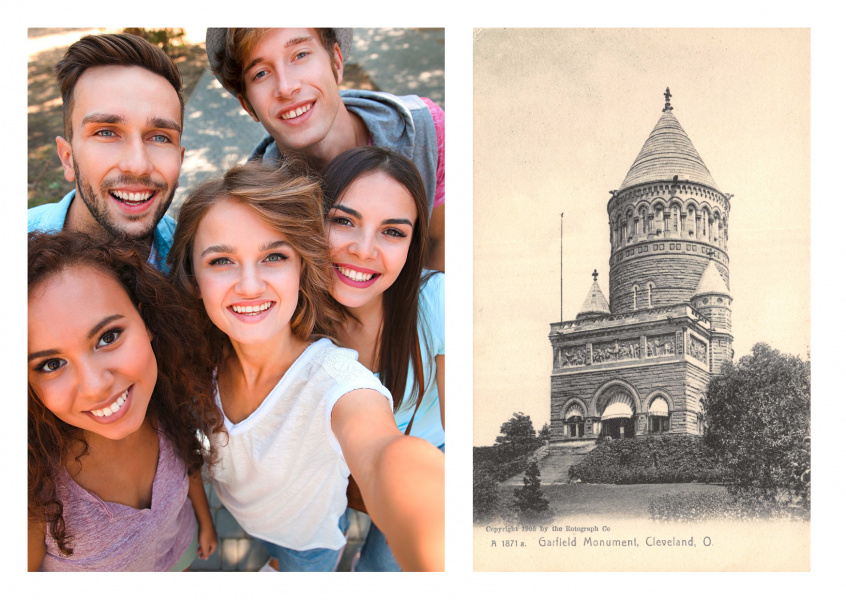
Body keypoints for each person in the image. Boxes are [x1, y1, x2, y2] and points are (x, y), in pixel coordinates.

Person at [167, 160, 445, 571]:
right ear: (194, 275)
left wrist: (428, 519)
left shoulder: (335, 379)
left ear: (303, 266)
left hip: (310, 545)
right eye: (221, 261)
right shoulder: (197, 357)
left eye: (274, 256)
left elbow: (377, 446)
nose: (249, 285)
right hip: (257, 524)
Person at [27, 231, 223, 571]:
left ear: (145, 320)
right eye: (51, 364)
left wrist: (204, 520)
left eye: (108, 337)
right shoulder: (32, 494)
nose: (95, 387)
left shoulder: (164, 399)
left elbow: (189, 463)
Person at [205, 27, 445, 272]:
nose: (286, 88)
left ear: (336, 62)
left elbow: (441, 244)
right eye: (261, 73)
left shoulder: (425, 130)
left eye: (300, 55)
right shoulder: (254, 203)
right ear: (248, 106)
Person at [322, 146, 445, 571]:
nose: (363, 249)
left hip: (425, 463)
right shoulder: (287, 308)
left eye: (392, 232)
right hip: (329, 472)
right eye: (343, 221)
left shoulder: (437, 302)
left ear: (413, 244)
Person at [27, 33, 185, 272]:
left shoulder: (195, 261)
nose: (138, 165)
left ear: (180, 161)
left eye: (160, 137)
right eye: (106, 133)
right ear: (68, 159)